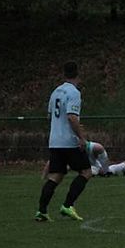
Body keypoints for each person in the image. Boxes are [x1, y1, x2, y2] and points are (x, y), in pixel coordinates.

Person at [35, 61, 91, 222]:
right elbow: (72, 117)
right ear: (78, 75)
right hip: (69, 141)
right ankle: (68, 205)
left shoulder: (55, 92)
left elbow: (49, 116)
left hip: (55, 141)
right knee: (86, 172)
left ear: (64, 74)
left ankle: (41, 211)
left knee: (55, 176)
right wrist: (81, 137)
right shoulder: (74, 92)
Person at [41, 140, 125, 179]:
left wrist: (104, 168)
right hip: (88, 165)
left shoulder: (94, 147)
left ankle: (124, 165)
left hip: (95, 164)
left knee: (106, 171)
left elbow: (103, 156)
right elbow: (53, 161)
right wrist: (45, 175)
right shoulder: (71, 149)